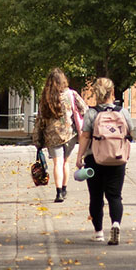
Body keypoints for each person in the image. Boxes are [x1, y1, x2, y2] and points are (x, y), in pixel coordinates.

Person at [74, 77, 132, 245]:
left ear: (96, 93)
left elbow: (84, 136)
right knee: (115, 196)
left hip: (95, 160)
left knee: (96, 196)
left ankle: (98, 232)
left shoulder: (92, 113)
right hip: (117, 158)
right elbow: (130, 132)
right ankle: (116, 224)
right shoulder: (122, 112)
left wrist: (79, 157)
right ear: (112, 92)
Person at [33, 68, 85, 203]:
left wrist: (37, 139)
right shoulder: (71, 95)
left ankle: (58, 193)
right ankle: (64, 188)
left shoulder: (45, 98)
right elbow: (84, 109)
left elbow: (39, 119)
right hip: (69, 134)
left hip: (51, 136)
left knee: (57, 163)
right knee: (66, 162)